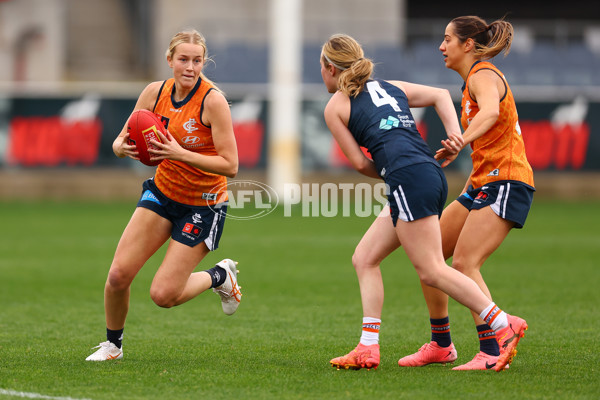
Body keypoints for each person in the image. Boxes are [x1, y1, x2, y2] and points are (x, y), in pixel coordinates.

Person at [321, 33, 526, 372]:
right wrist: (453, 137)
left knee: (432, 269)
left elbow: (359, 163)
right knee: (365, 257)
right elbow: (440, 95)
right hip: (426, 173)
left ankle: (503, 322)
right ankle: (368, 347)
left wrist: (393, 172)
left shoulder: (337, 105)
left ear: (330, 68)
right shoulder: (389, 86)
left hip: (407, 179)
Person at [86, 30, 242, 361]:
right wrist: (120, 147)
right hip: (162, 192)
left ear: (203, 61)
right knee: (117, 276)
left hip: (203, 205)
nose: (190, 67)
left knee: (163, 294)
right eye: (183, 59)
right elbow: (120, 140)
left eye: (197, 60)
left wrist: (178, 151)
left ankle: (220, 275)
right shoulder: (154, 93)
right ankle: (113, 346)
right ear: (169, 60)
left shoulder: (213, 101)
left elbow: (231, 166)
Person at [397, 16, 533, 370]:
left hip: (506, 182)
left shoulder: (483, 75)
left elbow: (489, 112)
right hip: (482, 183)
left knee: (463, 264)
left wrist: (462, 138)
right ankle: (441, 344)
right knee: (429, 256)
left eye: (447, 39)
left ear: (467, 44)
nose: (442, 47)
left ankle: (492, 349)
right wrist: (462, 149)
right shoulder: (471, 80)